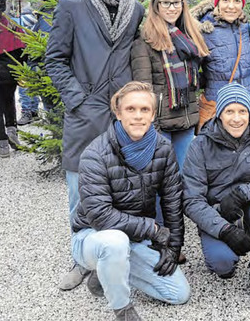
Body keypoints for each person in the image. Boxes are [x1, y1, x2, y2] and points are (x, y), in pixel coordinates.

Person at [44, 0, 145, 290]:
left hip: (122, 118)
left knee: (121, 189)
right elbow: (54, 59)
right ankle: (80, 259)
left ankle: (114, 254)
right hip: (85, 114)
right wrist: (77, 99)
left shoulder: (136, 10)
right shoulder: (71, 5)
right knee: (79, 192)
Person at [72, 81, 190, 320]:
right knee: (114, 243)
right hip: (93, 236)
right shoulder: (95, 155)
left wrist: (173, 247)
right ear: (118, 113)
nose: (138, 116)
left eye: (144, 110)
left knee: (178, 293)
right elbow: (99, 215)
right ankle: (122, 308)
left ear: (153, 114)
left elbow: (172, 200)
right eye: (130, 109)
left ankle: (107, 272)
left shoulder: (163, 149)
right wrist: (153, 229)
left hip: (134, 236)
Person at [183, 83, 250, 308]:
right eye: (230, 111)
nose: (236, 118)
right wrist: (225, 230)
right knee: (222, 265)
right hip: (219, 213)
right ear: (219, 114)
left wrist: (243, 192)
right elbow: (191, 200)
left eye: (243, 111)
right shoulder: (200, 145)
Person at [131, 0, 208, 170]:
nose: (172, 8)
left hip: (186, 121)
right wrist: (151, 126)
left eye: (177, 2)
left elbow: (198, 80)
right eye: (166, 3)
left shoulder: (189, 37)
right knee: (161, 181)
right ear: (156, 6)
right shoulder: (145, 40)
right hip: (160, 125)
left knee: (184, 177)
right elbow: (144, 90)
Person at [192, 0, 250, 127]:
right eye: (225, 0)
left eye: (237, 1)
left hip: (248, 103)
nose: (231, 6)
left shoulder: (247, 29)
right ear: (217, 3)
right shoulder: (205, 32)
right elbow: (192, 71)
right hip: (217, 102)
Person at [0, 0, 25, 158]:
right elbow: (23, 48)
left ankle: (3, 144)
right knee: (9, 101)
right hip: (11, 71)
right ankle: (13, 133)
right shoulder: (12, 24)